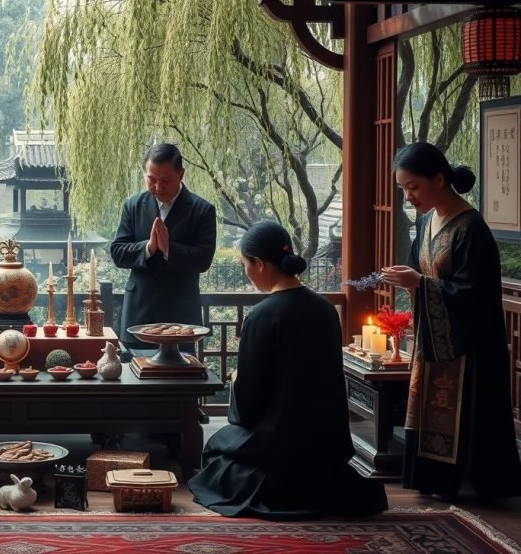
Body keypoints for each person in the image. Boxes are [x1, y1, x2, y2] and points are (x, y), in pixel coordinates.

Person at [188, 221, 388, 519]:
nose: (246, 272)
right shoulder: (325, 310)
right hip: (323, 443)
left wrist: (235, 379)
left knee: (216, 448)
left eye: (245, 265)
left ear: (258, 264)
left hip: (276, 442)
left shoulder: (261, 316)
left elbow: (250, 402)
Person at [382, 141, 521, 500]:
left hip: (469, 345)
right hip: (437, 339)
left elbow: (470, 293)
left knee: (465, 412)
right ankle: (435, 479)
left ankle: (471, 482)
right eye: (403, 189)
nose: (408, 197)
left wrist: (421, 285)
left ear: (439, 179)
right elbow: (422, 267)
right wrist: (410, 277)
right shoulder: (428, 221)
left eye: (413, 187)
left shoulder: (471, 229)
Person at [111, 143, 216, 354]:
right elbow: (118, 253)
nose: (158, 187)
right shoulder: (132, 205)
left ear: (181, 174)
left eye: (166, 180)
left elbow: (203, 259)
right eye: (152, 179)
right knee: (134, 378)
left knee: (179, 382)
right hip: (139, 311)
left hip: (181, 313)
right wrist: (148, 248)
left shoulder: (202, 210)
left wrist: (170, 249)